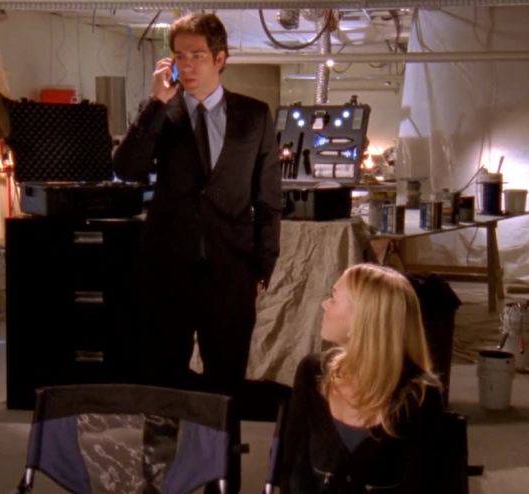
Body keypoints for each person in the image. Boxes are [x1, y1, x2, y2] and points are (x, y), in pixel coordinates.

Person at [112, 13, 282, 395]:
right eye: (179, 55)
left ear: (220, 59)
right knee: (162, 383)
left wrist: (263, 267)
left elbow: (268, 199)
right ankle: (164, 438)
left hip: (231, 270)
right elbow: (127, 169)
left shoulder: (254, 116)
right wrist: (155, 104)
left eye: (197, 56)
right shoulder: (161, 111)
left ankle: (219, 439)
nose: (186, 65)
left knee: (226, 385)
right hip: (167, 269)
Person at [281, 264, 445, 493]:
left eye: (333, 298)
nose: (324, 304)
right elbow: (291, 472)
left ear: (361, 320)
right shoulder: (312, 373)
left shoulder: (418, 395)